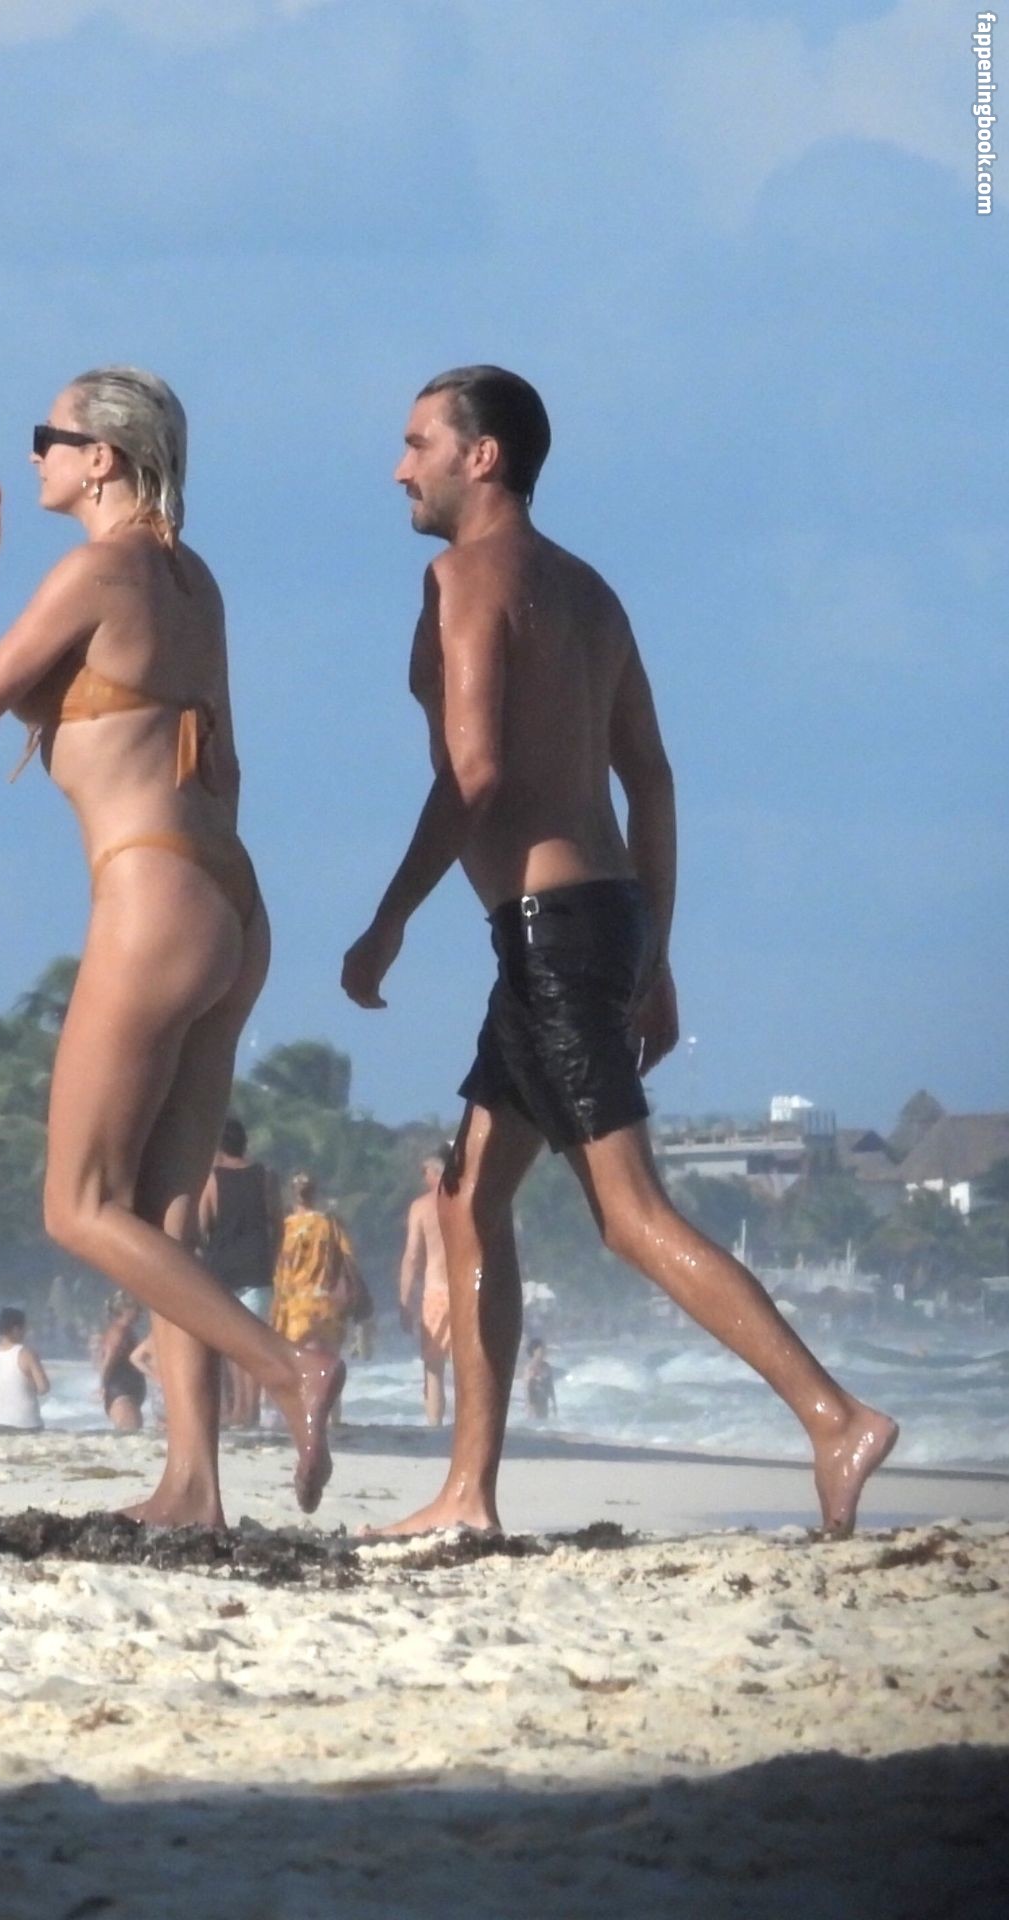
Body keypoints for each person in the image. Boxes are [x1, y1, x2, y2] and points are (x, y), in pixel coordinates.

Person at [342, 364, 898, 1538]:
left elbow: (475, 773)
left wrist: (389, 919)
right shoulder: (590, 593)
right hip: (590, 924)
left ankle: (835, 1416)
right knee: (468, 1202)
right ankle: (468, 1492)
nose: (398, 469)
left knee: (630, 1215)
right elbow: (650, 779)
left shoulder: (461, 580)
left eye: (417, 443)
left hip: (550, 937)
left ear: (482, 456)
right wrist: (657, 948)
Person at [0, 366, 344, 1522]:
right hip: (231, 900)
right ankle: (193, 1483)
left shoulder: (94, 573)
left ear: (102, 458)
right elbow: (220, 758)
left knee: (78, 1206)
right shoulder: (192, 581)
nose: (36, 456)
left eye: (50, 436)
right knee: (166, 1219)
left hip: (152, 894)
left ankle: (290, 1369)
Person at [199, 1116, 283, 1427]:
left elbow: (203, 1225)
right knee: (255, 1345)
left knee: (234, 1346)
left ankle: (240, 1411)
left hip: (224, 1271)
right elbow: (278, 1223)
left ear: (218, 1146)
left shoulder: (213, 1180)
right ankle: (251, 1410)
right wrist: (272, 1257)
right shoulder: (266, 1177)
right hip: (258, 1269)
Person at [271, 1174, 363, 1374]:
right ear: (314, 1194)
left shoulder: (284, 1229)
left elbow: (278, 1272)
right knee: (329, 1373)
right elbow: (349, 1261)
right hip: (327, 1307)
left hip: (295, 1312)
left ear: (292, 1195)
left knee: (303, 1375)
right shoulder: (329, 1224)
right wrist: (359, 1303)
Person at [398, 1150, 452, 1426]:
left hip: (437, 1293)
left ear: (434, 1172)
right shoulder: (467, 1201)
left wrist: (404, 1300)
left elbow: (412, 1256)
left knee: (434, 1368)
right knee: (468, 1368)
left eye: (424, 1172)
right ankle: (471, 1431)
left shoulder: (421, 1207)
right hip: (467, 1292)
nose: (423, 1178)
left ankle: (435, 1427)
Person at [0, 1306, 50, 1432]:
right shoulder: (26, 1354)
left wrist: (0, 1395)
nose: (27, 1332)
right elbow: (43, 1388)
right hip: (28, 1426)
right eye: (25, 1328)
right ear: (16, 1329)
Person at [98, 1293, 150, 1434]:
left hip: (126, 1390)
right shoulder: (118, 1332)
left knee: (134, 1434)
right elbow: (107, 1360)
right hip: (121, 1391)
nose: (140, 1312)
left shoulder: (126, 1331)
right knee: (131, 1434)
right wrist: (102, 1385)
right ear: (125, 1310)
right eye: (137, 1308)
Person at [523, 1338, 557, 1422]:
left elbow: (550, 1386)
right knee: (535, 1425)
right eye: (541, 1350)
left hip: (544, 1403)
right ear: (534, 1351)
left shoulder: (547, 1366)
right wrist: (529, 1406)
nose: (544, 1352)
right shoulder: (529, 1368)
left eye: (544, 1350)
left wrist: (554, 1403)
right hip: (534, 1405)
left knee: (544, 1425)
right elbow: (527, 1389)